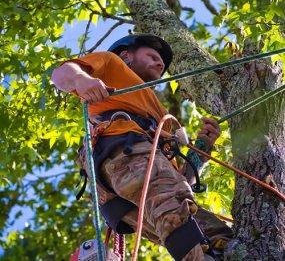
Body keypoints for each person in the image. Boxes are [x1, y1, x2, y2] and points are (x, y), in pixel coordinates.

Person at [51, 34, 233, 261]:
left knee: (213, 232)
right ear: (126, 54)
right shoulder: (111, 64)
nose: (160, 64)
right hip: (124, 154)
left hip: (125, 189)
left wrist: (201, 151)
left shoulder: (159, 114)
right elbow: (61, 73)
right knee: (175, 212)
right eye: (152, 56)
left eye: (162, 63)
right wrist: (81, 80)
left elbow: (177, 181)